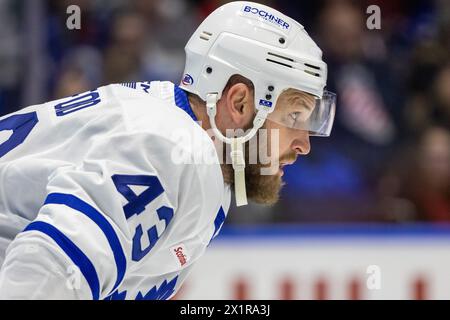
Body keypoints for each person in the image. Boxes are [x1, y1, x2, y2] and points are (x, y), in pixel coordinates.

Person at [0, 2, 335, 299]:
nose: (304, 144)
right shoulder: (173, 148)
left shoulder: (192, 151)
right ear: (239, 102)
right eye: (294, 115)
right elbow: (48, 268)